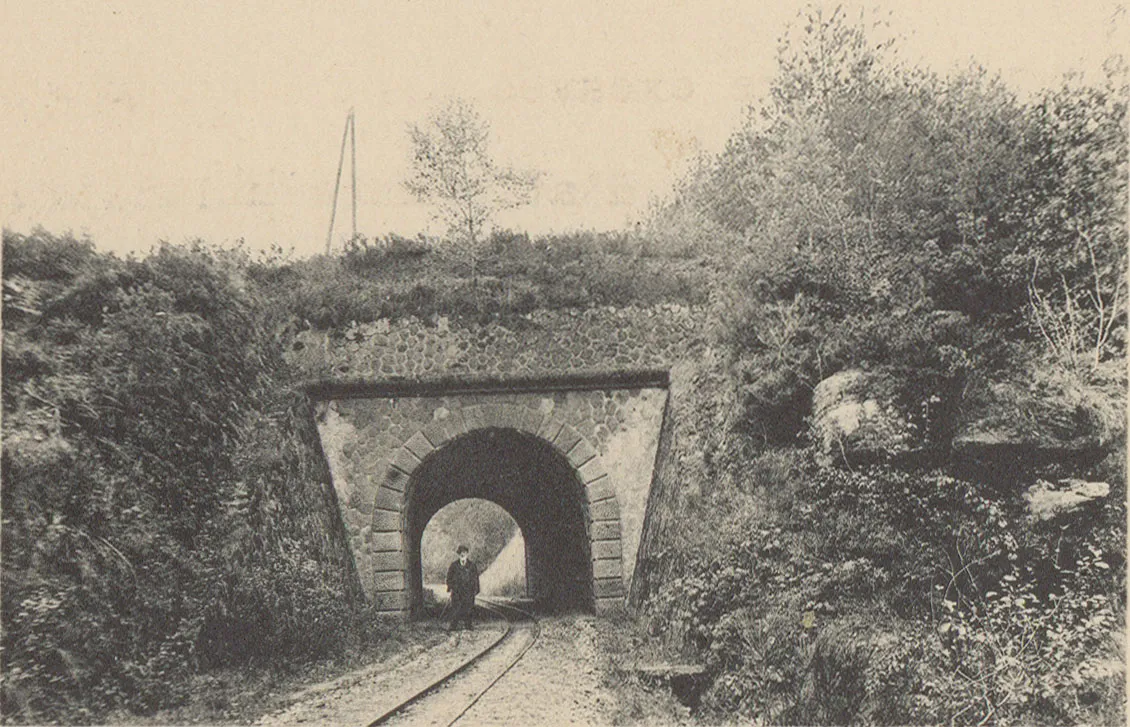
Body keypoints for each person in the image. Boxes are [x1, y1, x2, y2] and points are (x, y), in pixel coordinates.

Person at [446, 545, 479, 631]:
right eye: (460, 553)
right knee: (455, 609)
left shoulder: (472, 566)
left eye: (464, 553)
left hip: (468, 592)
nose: (462, 554)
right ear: (458, 554)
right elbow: (449, 578)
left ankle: (468, 626)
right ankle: (453, 626)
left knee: (468, 608)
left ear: (467, 554)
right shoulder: (454, 565)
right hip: (457, 592)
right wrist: (451, 587)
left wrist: (476, 589)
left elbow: (475, 578)